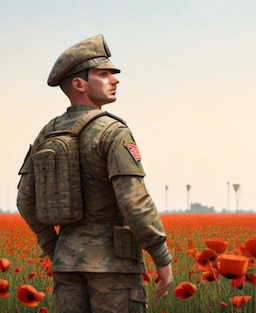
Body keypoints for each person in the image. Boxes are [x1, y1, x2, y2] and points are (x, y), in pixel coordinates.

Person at [16, 34, 173, 313]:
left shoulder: (48, 132)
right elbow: (133, 201)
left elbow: (25, 200)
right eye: (103, 74)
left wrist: (55, 247)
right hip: (114, 265)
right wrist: (160, 255)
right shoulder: (114, 132)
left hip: (67, 263)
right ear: (79, 85)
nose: (115, 80)